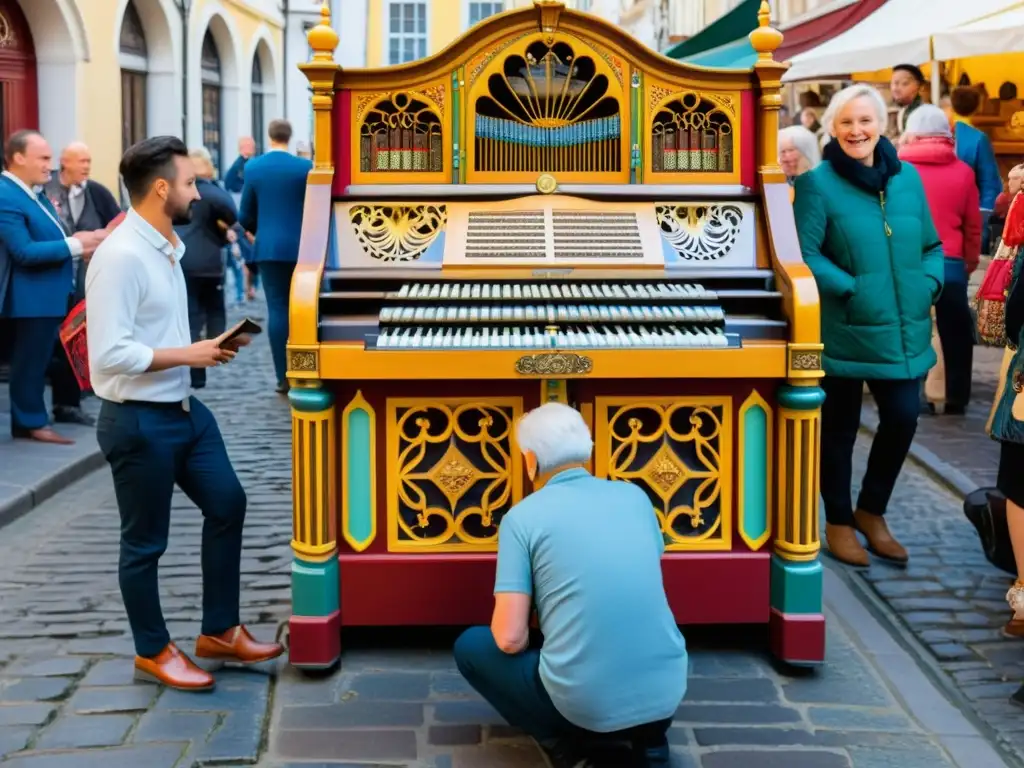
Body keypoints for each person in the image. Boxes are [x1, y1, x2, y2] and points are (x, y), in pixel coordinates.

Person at [85, 136, 283, 691]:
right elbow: (109, 353)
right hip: (137, 420)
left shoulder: (165, 242)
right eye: (192, 182)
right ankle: (153, 650)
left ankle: (219, 630)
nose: (201, 191)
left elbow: (155, 333)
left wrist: (209, 344)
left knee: (228, 502)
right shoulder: (120, 255)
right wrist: (190, 353)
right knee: (145, 543)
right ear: (162, 188)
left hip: (183, 410)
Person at [453, 403, 687, 768]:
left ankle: (566, 744)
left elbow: (510, 639)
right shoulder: (635, 497)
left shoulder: (522, 518)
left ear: (530, 461)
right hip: (667, 695)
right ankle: (651, 743)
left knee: (472, 645)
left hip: (584, 707)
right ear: (589, 448)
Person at [793, 84, 945, 569]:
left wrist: (930, 285)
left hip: (904, 327)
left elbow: (931, 246)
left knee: (902, 417)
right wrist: (852, 288)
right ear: (832, 128)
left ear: (882, 124)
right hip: (846, 326)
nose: (857, 131)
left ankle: (871, 510)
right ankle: (838, 520)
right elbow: (804, 253)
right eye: (846, 122)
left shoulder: (908, 180)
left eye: (865, 121)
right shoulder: (818, 184)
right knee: (838, 430)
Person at [0, 130, 104, 445]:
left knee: (40, 360)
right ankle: (31, 421)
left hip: (47, 294)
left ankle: (37, 418)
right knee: (30, 363)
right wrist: (76, 244)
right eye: (43, 158)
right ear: (18, 158)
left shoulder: (32, 193)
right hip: (30, 297)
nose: (51, 165)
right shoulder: (7, 195)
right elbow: (24, 252)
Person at [899, 105, 981, 415]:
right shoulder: (963, 171)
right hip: (951, 264)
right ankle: (956, 398)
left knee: (913, 329)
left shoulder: (897, 169)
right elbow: (973, 225)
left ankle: (915, 395)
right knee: (957, 334)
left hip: (908, 263)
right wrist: (969, 263)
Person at [41, 140, 123, 427]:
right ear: (65, 163)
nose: (87, 167)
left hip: (87, 281)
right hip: (50, 278)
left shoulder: (97, 192)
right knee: (48, 342)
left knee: (78, 338)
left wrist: (103, 235)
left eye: (89, 161)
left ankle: (70, 402)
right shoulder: (46, 189)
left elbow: (119, 220)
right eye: (82, 162)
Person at [239, 119, 312, 394]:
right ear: (290, 137)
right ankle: (306, 368)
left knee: (278, 309)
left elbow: (244, 214)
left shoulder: (254, 167)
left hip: (268, 248)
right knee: (304, 307)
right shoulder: (304, 168)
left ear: (269, 137)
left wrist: (258, 232)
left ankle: (284, 375)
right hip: (303, 247)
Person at [176, 146, 238, 390]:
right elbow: (234, 215)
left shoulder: (177, 191)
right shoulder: (213, 192)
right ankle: (215, 352)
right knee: (214, 311)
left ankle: (196, 373)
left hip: (181, 259)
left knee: (190, 318)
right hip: (209, 263)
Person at [947, 87, 1003, 254]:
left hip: (962, 217)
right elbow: (990, 182)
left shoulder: (975, 138)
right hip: (961, 217)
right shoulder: (977, 138)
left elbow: (989, 182)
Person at [890, 64, 925, 136]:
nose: (895, 89)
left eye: (904, 83)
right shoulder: (903, 110)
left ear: (919, 86)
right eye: (894, 83)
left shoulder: (922, 113)